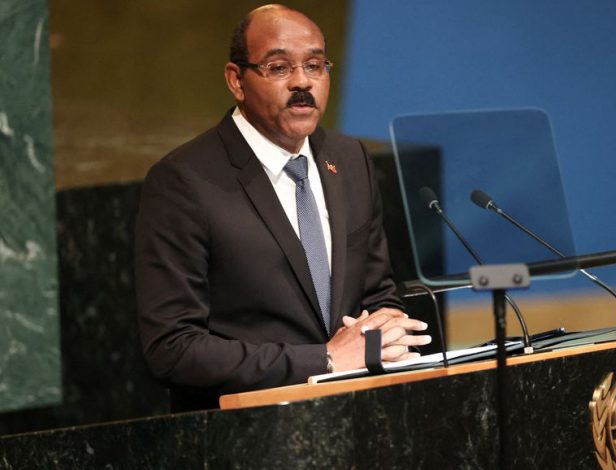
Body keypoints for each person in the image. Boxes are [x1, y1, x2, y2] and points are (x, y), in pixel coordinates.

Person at [134, 4, 430, 411]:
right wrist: (324, 359)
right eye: (278, 68)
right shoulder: (184, 181)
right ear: (236, 80)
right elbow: (173, 349)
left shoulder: (349, 159)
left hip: (357, 419)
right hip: (246, 431)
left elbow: (377, 293)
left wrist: (386, 328)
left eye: (315, 65)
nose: (302, 82)